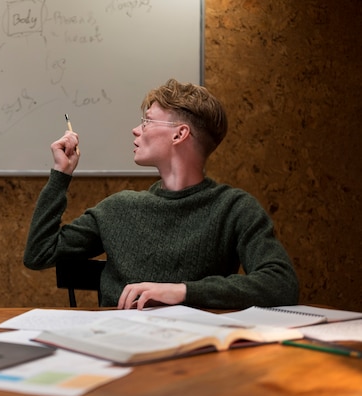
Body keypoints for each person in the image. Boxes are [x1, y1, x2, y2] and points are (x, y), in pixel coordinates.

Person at [23, 78, 299, 310]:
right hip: (116, 348)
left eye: (147, 122)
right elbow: (39, 254)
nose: (135, 129)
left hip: (193, 354)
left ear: (179, 134)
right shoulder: (119, 208)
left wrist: (182, 292)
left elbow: (281, 284)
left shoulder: (234, 209)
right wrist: (62, 175)